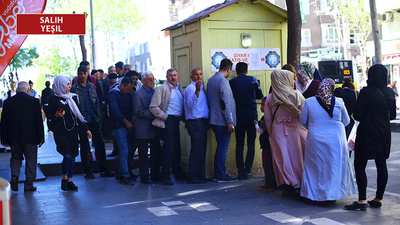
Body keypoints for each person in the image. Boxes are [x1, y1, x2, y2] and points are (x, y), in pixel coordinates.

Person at [345, 64, 397, 210]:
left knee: (360, 164)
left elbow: (357, 115)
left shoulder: (365, 92)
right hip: (384, 133)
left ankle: (362, 201)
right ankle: (378, 199)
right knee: (381, 164)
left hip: (367, 132)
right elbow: (392, 116)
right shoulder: (389, 92)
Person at [300, 78, 357, 201]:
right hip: (336, 138)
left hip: (315, 138)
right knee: (334, 166)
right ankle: (332, 194)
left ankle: (314, 194)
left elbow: (303, 121)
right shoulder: (339, 102)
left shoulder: (309, 102)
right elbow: (346, 121)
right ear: (332, 89)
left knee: (316, 167)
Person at [264, 69, 307, 196]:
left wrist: (271, 132)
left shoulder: (270, 98)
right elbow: (304, 115)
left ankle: (288, 185)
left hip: (278, 129)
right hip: (297, 129)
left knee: (282, 158)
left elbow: (267, 118)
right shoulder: (297, 95)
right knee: (299, 157)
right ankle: (301, 182)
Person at [48, 75, 92, 191]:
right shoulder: (53, 99)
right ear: (60, 85)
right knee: (67, 155)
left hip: (73, 130)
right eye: (67, 84)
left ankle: (70, 180)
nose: (69, 86)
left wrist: (86, 129)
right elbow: (49, 116)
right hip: (60, 132)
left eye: (69, 84)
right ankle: (64, 177)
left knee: (73, 156)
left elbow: (79, 115)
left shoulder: (73, 98)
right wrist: (56, 116)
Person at [71, 65, 114, 179]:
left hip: (94, 117)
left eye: (84, 73)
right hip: (83, 119)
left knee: (100, 143)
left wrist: (97, 114)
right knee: (84, 145)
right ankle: (87, 171)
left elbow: (97, 99)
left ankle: (104, 169)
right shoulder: (75, 88)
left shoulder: (91, 86)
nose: (82, 75)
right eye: (80, 73)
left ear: (87, 74)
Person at [0, 81, 44, 192]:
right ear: (27, 90)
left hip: (14, 138)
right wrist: (41, 138)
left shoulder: (8, 102)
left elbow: (3, 122)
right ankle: (28, 185)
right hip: (30, 137)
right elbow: (39, 121)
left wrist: (4, 139)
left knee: (15, 157)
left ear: (18, 89)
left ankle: (15, 176)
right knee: (31, 160)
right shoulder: (34, 101)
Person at [149, 68, 186, 185]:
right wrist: (165, 117)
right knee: (168, 149)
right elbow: (153, 107)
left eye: (175, 75)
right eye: (170, 75)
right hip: (167, 120)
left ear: (177, 76)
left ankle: (176, 172)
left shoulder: (179, 88)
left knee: (176, 148)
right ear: (167, 77)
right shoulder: (161, 89)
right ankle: (165, 175)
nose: (173, 77)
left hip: (177, 120)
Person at [229, 62, 263, 180]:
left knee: (239, 145)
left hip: (238, 116)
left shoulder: (232, 82)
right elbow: (260, 95)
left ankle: (240, 171)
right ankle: (247, 170)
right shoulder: (253, 80)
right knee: (251, 144)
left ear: (236, 72)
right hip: (252, 116)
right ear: (247, 71)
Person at [207, 59, 237, 182]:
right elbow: (225, 103)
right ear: (229, 69)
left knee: (220, 147)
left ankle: (216, 173)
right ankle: (220, 174)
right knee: (223, 147)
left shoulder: (211, 80)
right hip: (222, 121)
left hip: (214, 119)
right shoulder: (223, 81)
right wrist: (230, 121)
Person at [107, 77, 136, 185]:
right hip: (118, 125)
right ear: (122, 85)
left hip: (127, 124)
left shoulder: (127, 94)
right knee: (124, 150)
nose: (129, 91)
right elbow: (115, 111)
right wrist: (125, 121)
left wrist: (132, 116)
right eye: (127, 89)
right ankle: (125, 174)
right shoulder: (113, 94)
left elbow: (131, 106)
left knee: (127, 150)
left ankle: (121, 171)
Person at [134, 71, 161, 184]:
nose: (152, 81)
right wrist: (154, 115)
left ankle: (155, 175)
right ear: (143, 81)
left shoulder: (155, 92)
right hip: (143, 128)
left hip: (154, 128)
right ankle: (144, 177)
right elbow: (138, 110)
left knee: (156, 153)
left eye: (153, 79)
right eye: (149, 79)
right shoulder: (138, 94)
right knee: (143, 155)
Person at [184, 67, 209, 184]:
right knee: (196, 150)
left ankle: (199, 174)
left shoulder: (201, 88)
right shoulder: (191, 89)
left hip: (202, 122)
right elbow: (190, 104)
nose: (198, 76)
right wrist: (197, 91)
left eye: (200, 74)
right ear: (191, 77)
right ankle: (193, 175)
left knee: (201, 150)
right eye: (196, 74)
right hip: (195, 123)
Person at [256, 96, 276, 191]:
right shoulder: (274, 116)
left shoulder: (265, 118)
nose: (262, 107)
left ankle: (269, 183)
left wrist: (256, 124)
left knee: (267, 163)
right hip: (272, 144)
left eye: (264, 105)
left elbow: (261, 130)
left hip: (266, 145)